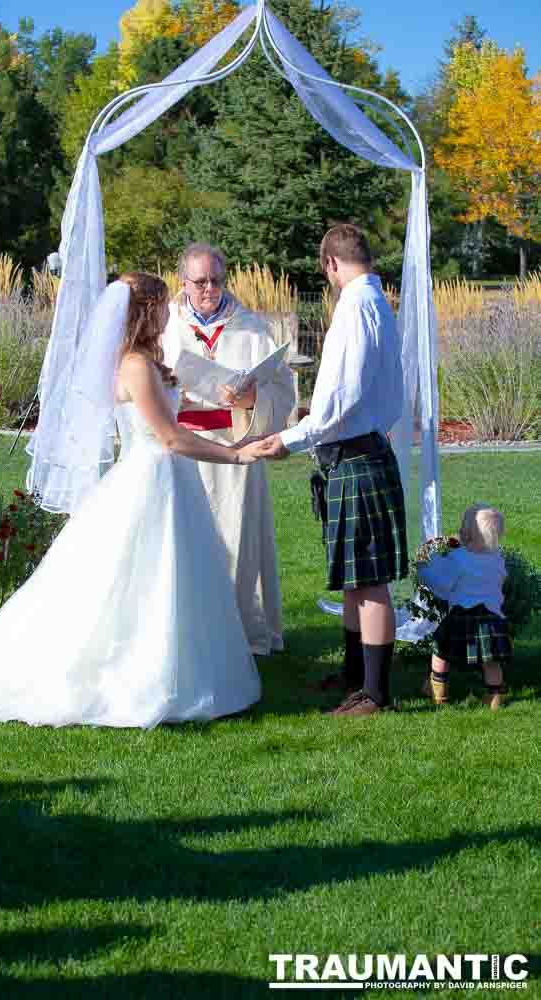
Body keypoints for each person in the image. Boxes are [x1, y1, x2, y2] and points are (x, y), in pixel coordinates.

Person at [0, 274, 261, 729]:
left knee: (168, 575)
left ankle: (178, 667)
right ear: (146, 311)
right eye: (161, 305)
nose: (167, 313)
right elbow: (170, 438)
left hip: (168, 480)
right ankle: (144, 675)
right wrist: (235, 454)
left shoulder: (144, 361)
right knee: (146, 575)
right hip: (153, 476)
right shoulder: (135, 365)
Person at [242, 224, 408, 716]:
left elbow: (337, 402)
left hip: (356, 456)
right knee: (357, 577)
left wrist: (288, 441)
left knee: (370, 578)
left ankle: (375, 694)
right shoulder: (376, 303)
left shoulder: (355, 310)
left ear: (330, 264)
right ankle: (355, 676)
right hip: (362, 452)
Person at [163, 243, 296, 655]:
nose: (209, 289)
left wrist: (253, 397)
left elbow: (283, 389)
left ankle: (241, 634)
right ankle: (184, 634)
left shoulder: (251, 327)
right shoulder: (164, 324)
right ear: (183, 281)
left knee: (238, 543)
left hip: (237, 447)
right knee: (183, 542)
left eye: (216, 281)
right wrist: (169, 393)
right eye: (200, 282)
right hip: (182, 450)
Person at [418, 505, 511, 711]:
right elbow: (501, 580)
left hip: (461, 615)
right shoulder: (497, 559)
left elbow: (442, 583)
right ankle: (495, 696)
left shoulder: (458, 558)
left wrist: (424, 569)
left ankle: (438, 689)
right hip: (491, 618)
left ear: (467, 534)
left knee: (441, 650)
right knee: (491, 660)